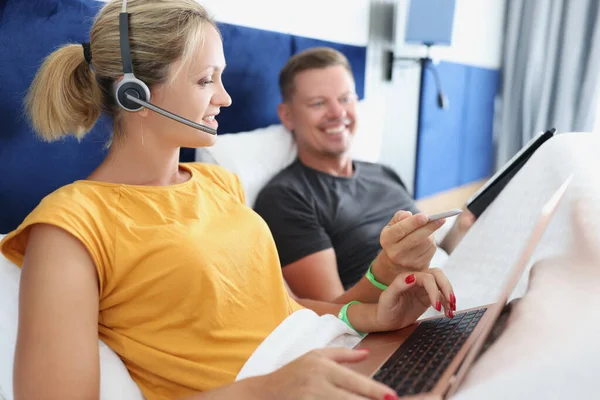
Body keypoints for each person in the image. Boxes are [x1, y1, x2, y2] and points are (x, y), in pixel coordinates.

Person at [0, 1, 457, 399]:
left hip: (338, 356)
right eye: (205, 80)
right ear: (134, 91)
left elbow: (288, 308)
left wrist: (376, 311)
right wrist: (268, 391)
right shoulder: (70, 226)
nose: (225, 96)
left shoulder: (217, 184)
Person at [253, 47, 476, 302]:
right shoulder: (285, 198)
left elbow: (431, 256)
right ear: (288, 116)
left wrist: (460, 230)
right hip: (407, 313)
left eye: (346, 99)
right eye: (318, 103)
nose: (338, 113)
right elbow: (333, 311)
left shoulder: (383, 172)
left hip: (456, 288)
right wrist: (389, 266)